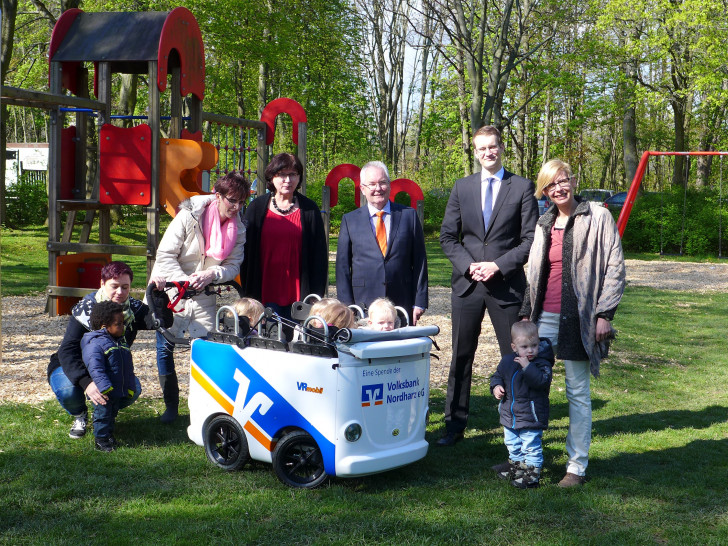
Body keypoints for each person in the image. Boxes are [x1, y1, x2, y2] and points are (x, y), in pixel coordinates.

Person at [520, 158, 626, 487]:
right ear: (544, 191)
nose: (559, 188)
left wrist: (604, 314)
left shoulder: (598, 216)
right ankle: (527, 461)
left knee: (577, 393)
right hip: (543, 319)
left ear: (573, 180)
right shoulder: (543, 223)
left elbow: (615, 266)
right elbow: (535, 274)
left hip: (580, 319)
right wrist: (526, 314)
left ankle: (575, 467)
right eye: (551, 185)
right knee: (530, 387)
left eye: (563, 180)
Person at [438, 125, 539, 446]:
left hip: (506, 285)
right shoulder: (462, 187)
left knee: (516, 357)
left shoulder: (522, 187)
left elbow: (530, 239)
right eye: (481, 149)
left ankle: (520, 422)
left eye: (492, 147)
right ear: (475, 151)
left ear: (502, 147)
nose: (487, 153)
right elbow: (447, 237)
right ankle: (454, 425)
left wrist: (498, 265)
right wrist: (470, 265)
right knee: (461, 356)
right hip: (467, 286)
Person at [151, 171, 249, 423]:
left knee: (205, 349)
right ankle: (171, 406)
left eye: (242, 202)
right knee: (165, 347)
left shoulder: (238, 228)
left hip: (204, 292)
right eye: (232, 201)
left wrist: (212, 273)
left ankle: (202, 407)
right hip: (171, 289)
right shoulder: (189, 215)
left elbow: (233, 266)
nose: (237, 207)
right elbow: (165, 256)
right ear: (217, 196)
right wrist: (185, 281)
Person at [47, 261, 165, 439]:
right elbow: (67, 350)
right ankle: (80, 414)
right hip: (74, 365)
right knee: (68, 391)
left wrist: (158, 295)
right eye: (114, 286)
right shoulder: (86, 308)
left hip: (108, 366)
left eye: (125, 287)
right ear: (102, 284)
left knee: (134, 389)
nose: (120, 292)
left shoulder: (133, 308)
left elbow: (161, 322)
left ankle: (104, 414)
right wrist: (87, 383)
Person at [242, 153, 328, 329]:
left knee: (296, 343)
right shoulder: (256, 208)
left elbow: (319, 257)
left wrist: (315, 295)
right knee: (265, 340)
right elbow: (245, 253)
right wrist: (247, 293)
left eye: (293, 174)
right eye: (281, 174)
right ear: (271, 177)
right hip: (263, 290)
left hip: (298, 293)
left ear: (299, 177)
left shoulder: (310, 210)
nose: (287, 180)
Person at [336, 161, 428, 326]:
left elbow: (420, 261)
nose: (377, 188)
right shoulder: (350, 220)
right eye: (371, 184)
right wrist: (347, 307)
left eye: (382, 182)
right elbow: (342, 268)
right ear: (363, 189)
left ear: (389, 185)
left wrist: (419, 301)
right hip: (363, 305)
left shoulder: (409, 216)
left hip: (402, 301)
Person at [490, 321, 554, 488]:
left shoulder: (542, 363)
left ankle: (532, 477)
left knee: (531, 446)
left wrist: (527, 367)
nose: (530, 350)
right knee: (512, 443)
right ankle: (517, 468)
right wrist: (496, 386)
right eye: (524, 346)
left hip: (531, 415)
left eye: (534, 345)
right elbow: (497, 375)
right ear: (514, 347)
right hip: (510, 414)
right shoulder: (507, 361)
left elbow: (541, 382)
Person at [80, 301, 139, 452]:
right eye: (118, 324)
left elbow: (127, 368)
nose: (123, 327)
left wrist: (129, 386)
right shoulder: (95, 344)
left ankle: (109, 436)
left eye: (123, 323)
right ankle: (100, 440)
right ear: (104, 327)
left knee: (112, 414)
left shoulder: (120, 342)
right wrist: (105, 387)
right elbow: (96, 369)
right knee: (102, 415)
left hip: (116, 389)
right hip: (104, 391)